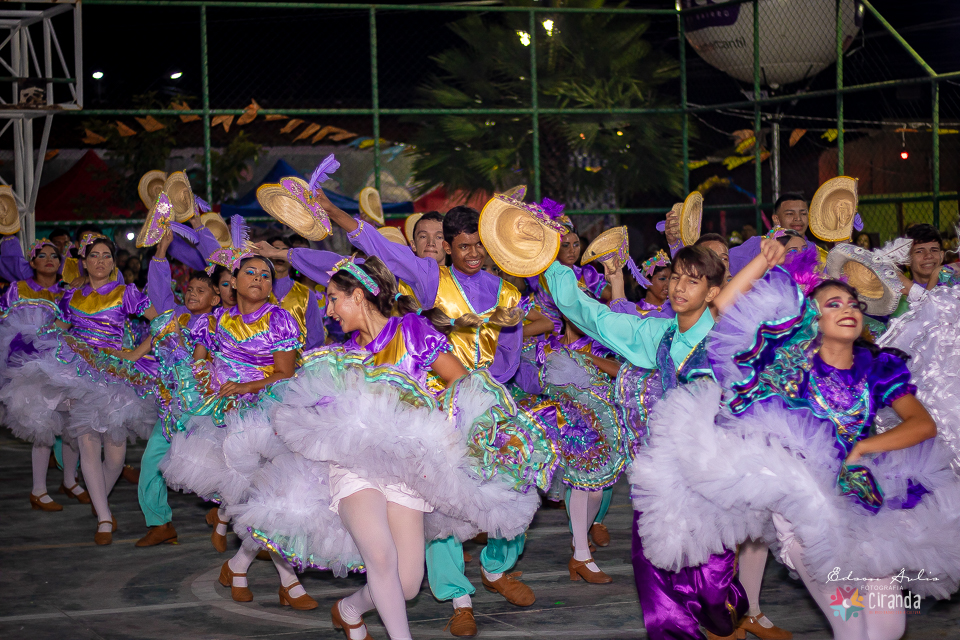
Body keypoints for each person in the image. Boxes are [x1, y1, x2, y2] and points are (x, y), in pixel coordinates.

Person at [633, 266, 960, 640]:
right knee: (851, 627)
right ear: (814, 319)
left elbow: (922, 424)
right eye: (833, 304)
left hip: (865, 509)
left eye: (853, 304)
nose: (847, 310)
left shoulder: (878, 368)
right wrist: (762, 260)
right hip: (807, 519)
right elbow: (724, 306)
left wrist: (866, 447)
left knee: (888, 628)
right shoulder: (791, 363)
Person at [226, 256, 539, 640]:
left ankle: (349, 609)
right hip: (353, 467)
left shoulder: (412, 332)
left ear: (358, 296)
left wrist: (452, 431)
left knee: (406, 585)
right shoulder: (340, 358)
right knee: (380, 556)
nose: (328, 310)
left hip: (407, 469)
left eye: (333, 298)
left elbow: (461, 381)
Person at [543, 240, 789, 640]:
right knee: (653, 574)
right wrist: (546, 262)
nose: (678, 287)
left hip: (712, 472)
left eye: (692, 281)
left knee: (713, 592)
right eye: (675, 278)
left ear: (710, 291)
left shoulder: (724, 331)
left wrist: (763, 259)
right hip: (663, 472)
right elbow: (592, 316)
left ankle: (730, 614)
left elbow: (728, 301)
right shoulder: (654, 333)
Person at [323, 197, 537, 637]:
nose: (473, 253)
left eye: (479, 245)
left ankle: (353, 608)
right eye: (463, 245)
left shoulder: (505, 293)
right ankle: (459, 600)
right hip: (371, 454)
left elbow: (493, 366)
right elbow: (381, 249)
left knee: (408, 579)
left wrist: (481, 414)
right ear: (449, 248)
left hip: (442, 426)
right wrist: (333, 212)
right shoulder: (427, 279)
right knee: (394, 549)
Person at [157, 253, 307, 606]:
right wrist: (196, 380)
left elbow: (285, 373)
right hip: (223, 417)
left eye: (266, 275)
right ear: (233, 281)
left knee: (266, 497)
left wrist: (245, 386)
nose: (258, 279)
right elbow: (198, 367)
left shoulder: (279, 319)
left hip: (267, 413)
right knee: (257, 498)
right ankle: (282, 581)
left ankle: (241, 564)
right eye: (250, 273)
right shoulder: (214, 321)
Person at [29, 235, 159, 544]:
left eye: (106, 256)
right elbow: (58, 330)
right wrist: (33, 340)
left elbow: (162, 323)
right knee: (88, 445)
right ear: (84, 262)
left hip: (115, 376)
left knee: (115, 457)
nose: (100, 260)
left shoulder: (126, 293)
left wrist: (135, 353)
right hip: (78, 377)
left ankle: (98, 497)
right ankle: (103, 517)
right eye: (94, 255)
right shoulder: (71, 296)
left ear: (113, 263)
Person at [135, 230, 221, 547]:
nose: (192, 294)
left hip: (204, 410)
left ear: (215, 298)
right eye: (190, 289)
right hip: (172, 408)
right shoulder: (178, 318)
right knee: (151, 462)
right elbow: (160, 296)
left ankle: (228, 514)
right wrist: (161, 253)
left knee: (212, 467)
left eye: (201, 291)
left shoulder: (219, 323)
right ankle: (159, 523)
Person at [0, 238, 86, 511]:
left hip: (64, 365)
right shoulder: (18, 289)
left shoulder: (67, 292)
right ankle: (38, 490)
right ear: (32, 261)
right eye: (43, 255)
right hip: (31, 366)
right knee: (43, 424)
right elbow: (5, 325)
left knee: (72, 421)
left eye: (54, 256)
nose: (49, 260)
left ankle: (70, 480)